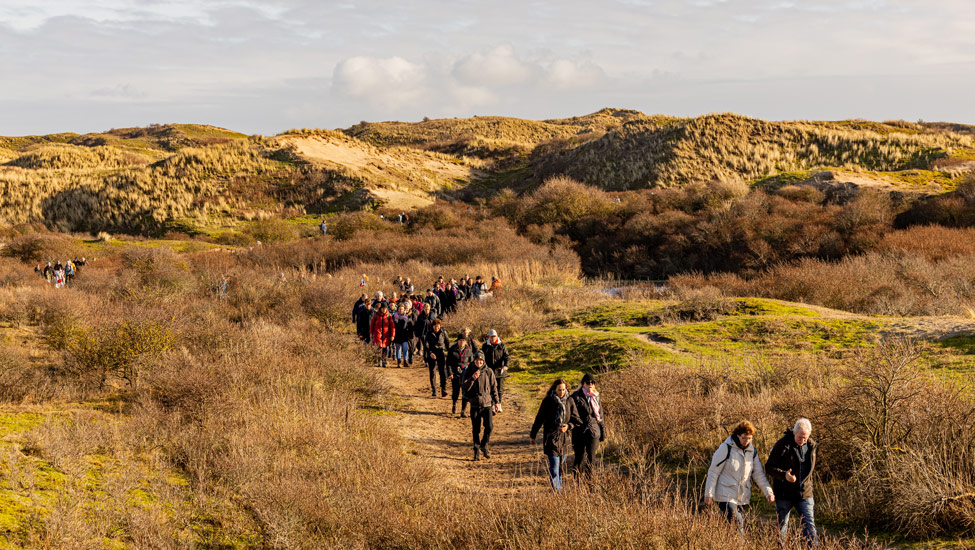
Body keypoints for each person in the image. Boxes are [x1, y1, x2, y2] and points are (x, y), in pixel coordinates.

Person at [704, 421, 775, 541]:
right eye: (744, 438)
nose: (746, 441)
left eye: (749, 438)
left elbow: (758, 474)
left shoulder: (752, 452)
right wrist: (708, 494)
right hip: (725, 493)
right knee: (737, 524)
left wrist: (768, 492)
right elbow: (713, 472)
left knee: (733, 526)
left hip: (742, 495)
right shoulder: (726, 448)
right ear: (738, 435)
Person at [766, 418, 817, 548]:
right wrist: (784, 475)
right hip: (784, 493)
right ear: (794, 432)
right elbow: (769, 467)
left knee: (809, 525)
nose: (802, 440)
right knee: (782, 525)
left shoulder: (812, 446)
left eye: (805, 437)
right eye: (800, 437)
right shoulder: (782, 444)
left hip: (804, 493)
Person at [530, 378, 580, 491]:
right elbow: (539, 419)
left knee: (561, 466)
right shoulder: (548, 401)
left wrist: (568, 426)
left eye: (563, 389)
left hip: (565, 439)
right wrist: (533, 434)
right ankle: (556, 490)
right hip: (551, 438)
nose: (561, 392)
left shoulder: (570, 401)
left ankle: (559, 488)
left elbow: (577, 420)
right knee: (554, 466)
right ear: (554, 389)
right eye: (559, 390)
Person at [461, 350, 501, 461]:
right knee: (476, 429)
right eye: (477, 360)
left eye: (481, 360)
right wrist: (472, 379)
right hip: (474, 404)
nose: (479, 362)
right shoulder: (468, 371)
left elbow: (494, 388)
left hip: (487, 403)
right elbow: (464, 387)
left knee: (489, 427)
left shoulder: (489, 371)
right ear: (474, 360)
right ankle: (476, 449)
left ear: (483, 361)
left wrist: (497, 402)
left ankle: (484, 445)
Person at [571, 373, 605, 478]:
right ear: (583, 384)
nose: (590, 384)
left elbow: (600, 416)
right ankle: (577, 482)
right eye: (588, 382)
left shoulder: (596, 397)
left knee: (591, 458)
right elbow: (572, 414)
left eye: (592, 382)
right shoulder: (575, 397)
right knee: (579, 458)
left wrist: (602, 433)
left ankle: (590, 484)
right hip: (579, 432)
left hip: (593, 432)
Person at [446, 333, 474, 417]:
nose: (462, 342)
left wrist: (471, 373)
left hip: (465, 374)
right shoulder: (452, 350)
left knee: (465, 392)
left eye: (463, 341)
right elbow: (448, 363)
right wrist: (450, 373)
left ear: (465, 342)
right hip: (455, 374)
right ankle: (454, 404)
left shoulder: (469, 350)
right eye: (460, 340)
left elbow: (472, 362)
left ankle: (463, 410)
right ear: (457, 341)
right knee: (455, 391)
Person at [423, 318, 450, 398]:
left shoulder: (443, 333)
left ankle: (443, 389)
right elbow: (426, 345)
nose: (436, 328)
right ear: (432, 326)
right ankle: (434, 389)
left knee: (442, 372)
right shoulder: (429, 333)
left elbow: (447, 342)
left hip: (441, 353)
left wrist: (449, 352)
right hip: (432, 353)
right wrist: (430, 353)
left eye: (438, 327)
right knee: (432, 372)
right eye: (435, 327)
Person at [482, 329, 509, 403]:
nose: (493, 338)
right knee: (489, 388)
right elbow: (482, 358)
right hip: (488, 371)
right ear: (489, 337)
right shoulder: (485, 346)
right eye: (491, 336)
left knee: (499, 389)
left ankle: (499, 403)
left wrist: (506, 366)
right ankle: (492, 404)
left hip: (499, 370)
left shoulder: (502, 346)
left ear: (496, 336)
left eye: (494, 336)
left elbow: (506, 357)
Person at [369, 304, 395, 368]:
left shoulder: (389, 315)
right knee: (379, 348)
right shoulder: (376, 315)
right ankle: (379, 361)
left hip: (386, 335)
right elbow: (372, 325)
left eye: (385, 308)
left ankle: (384, 361)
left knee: (385, 348)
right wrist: (371, 333)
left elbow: (392, 326)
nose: (384, 310)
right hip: (377, 334)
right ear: (380, 308)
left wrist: (392, 335)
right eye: (383, 308)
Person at [392, 303, 413, 368]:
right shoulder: (395, 317)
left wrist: (411, 334)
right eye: (400, 309)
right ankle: (399, 361)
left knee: (405, 348)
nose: (401, 310)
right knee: (398, 349)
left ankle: (405, 361)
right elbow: (393, 325)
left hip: (404, 334)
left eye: (402, 309)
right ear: (397, 309)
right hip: (397, 334)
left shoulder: (406, 317)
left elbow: (410, 326)